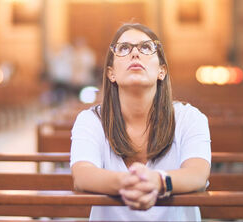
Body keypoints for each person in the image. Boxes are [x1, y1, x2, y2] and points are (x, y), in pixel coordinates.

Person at [70, 23, 211, 221]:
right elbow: (83, 175)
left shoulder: (190, 118)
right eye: (124, 48)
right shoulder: (91, 121)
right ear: (111, 73)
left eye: (145, 47)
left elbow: (197, 174)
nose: (135, 54)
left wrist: (159, 181)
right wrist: (129, 182)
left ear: (161, 71)